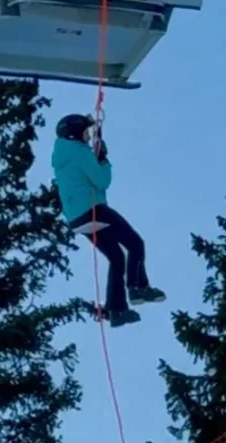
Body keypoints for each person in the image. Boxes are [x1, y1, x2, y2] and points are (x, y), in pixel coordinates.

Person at [51, 114, 164, 328]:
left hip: (77, 218)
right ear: (75, 134)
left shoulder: (61, 154)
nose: (87, 135)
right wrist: (103, 159)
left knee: (116, 257)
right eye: (85, 131)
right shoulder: (79, 153)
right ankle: (137, 287)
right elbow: (103, 181)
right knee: (135, 243)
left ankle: (117, 310)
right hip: (93, 210)